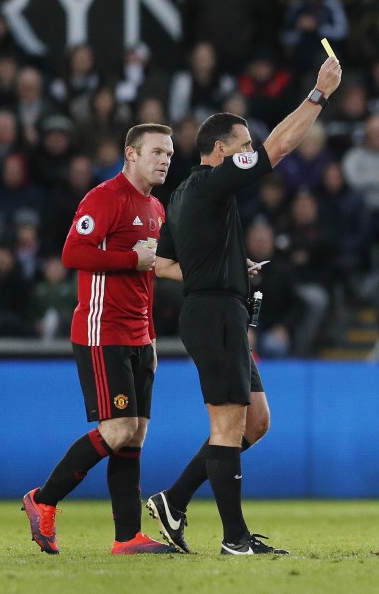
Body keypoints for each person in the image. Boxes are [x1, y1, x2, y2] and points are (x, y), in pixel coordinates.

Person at [146, 56, 342, 556]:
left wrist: (227, 268)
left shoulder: (184, 196)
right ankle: (235, 539)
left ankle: (173, 500)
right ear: (220, 151)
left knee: (255, 421)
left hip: (215, 307)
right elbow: (278, 146)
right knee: (228, 425)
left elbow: (164, 264)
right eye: (242, 146)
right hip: (215, 316)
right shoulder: (214, 183)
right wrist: (318, 94)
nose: (250, 152)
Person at [21, 123, 176, 555]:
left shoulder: (155, 208)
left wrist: (152, 340)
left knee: (136, 433)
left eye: (168, 153)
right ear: (131, 153)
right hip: (101, 331)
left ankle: (127, 538)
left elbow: (150, 274)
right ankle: (42, 499)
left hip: (139, 337)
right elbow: (72, 253)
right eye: (157, 152)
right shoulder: (104, 198)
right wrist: (130, 257)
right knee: (119, 428)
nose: (165, 160)